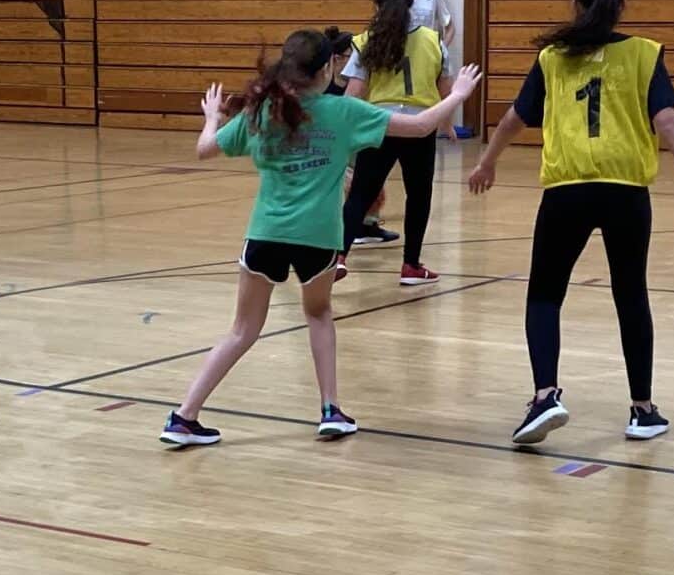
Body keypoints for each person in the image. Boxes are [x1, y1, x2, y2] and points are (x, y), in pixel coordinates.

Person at [159, 29, 480, 449]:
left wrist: (212, 118)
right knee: (318, 314)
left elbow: (205, 150)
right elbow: (420, 127)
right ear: (329, 67)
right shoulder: (342, 111)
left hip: (266, 233)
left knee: (241, 331)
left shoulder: (263, 110)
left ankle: (184, 417)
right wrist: (457, 94)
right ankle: (330, 410)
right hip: (318, 237)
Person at [468, 0, 674, 448]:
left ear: (577, 5)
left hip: (567, 189)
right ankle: (643, 410)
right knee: (631, 296)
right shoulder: (644, 55)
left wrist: (486, 163)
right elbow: (668, 123)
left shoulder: (553, 58)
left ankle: (546, 396)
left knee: (544, 294)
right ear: (620, 4)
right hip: (626, 190)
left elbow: (512, 119)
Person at [339, 0, 449, 287]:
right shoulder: (432, 40)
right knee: (419, 196)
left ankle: (339, 259)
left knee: (360, 193)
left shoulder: (365, 41)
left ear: (376, 4)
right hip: (420, 127)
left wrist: (341, 130)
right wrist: (446, 122)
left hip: (379, 126)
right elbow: (447, 87)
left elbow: (354, 93)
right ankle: (411, 265)